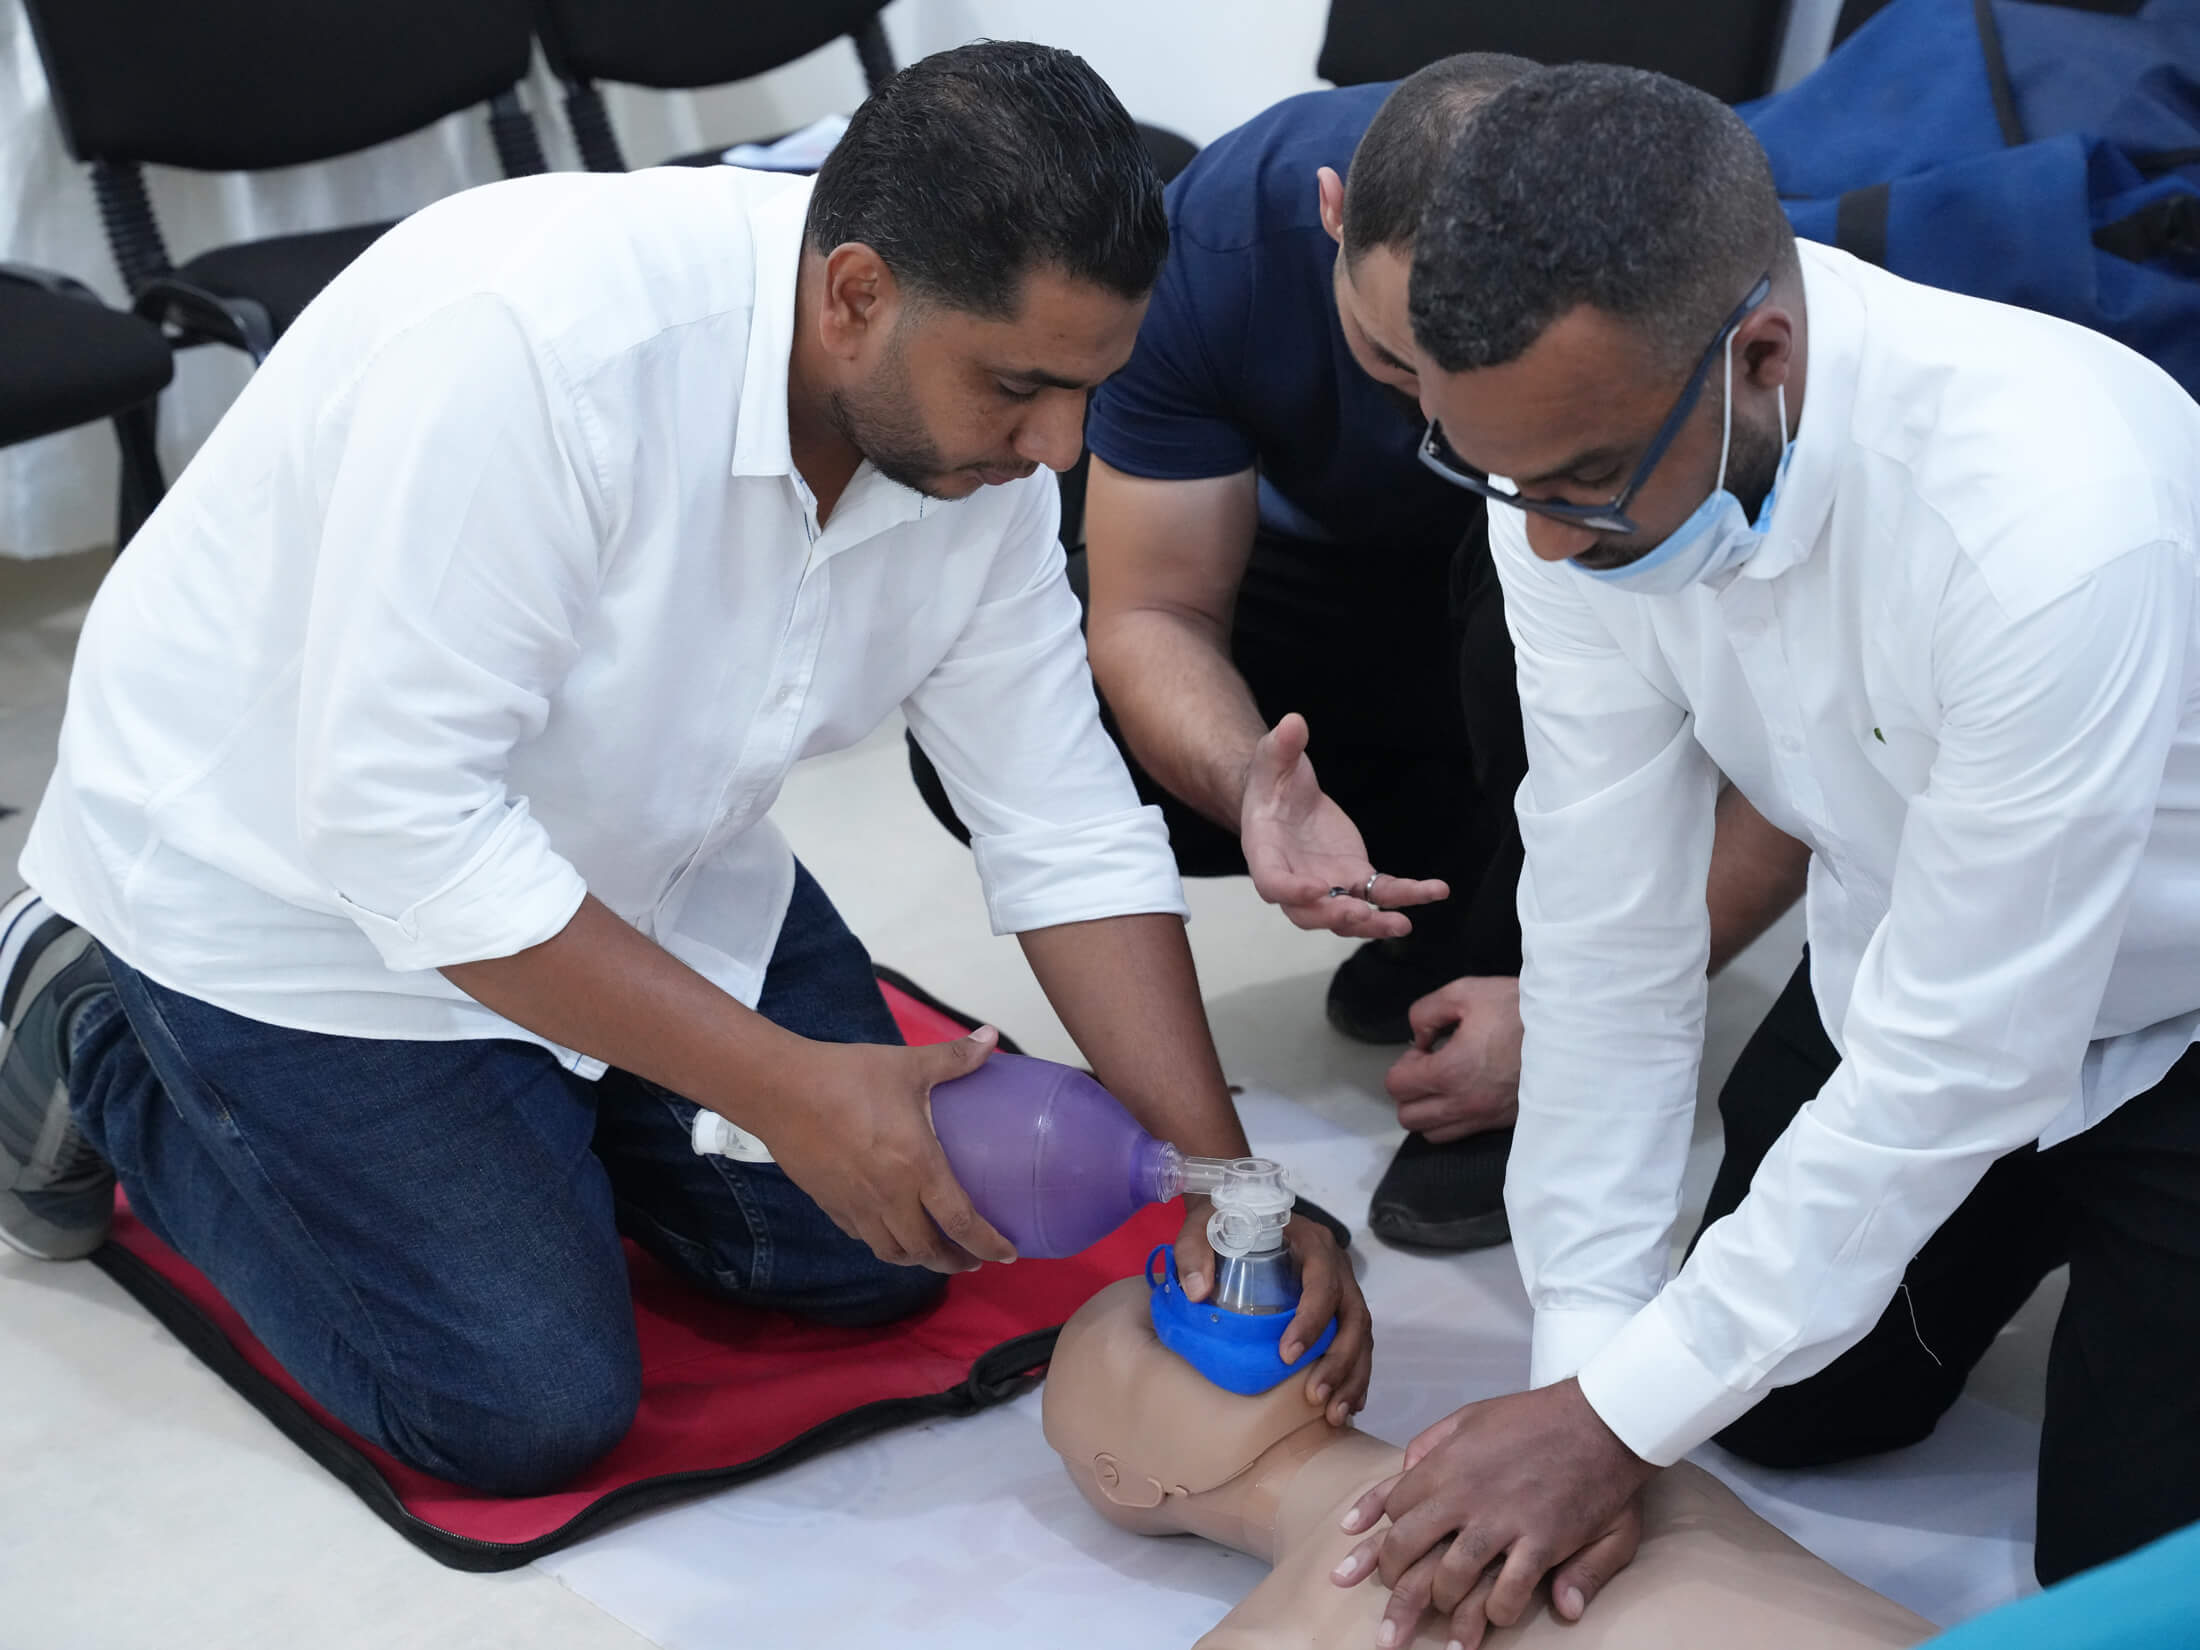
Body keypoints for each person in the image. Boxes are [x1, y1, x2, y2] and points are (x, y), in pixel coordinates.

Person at [0, 42, 1368, 1496]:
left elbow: (1062, 818)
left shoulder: (972, 435)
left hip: (639, 856)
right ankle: (81, 1011)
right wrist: (786, 1090)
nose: (1061, 446)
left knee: (893, 1249)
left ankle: (568, 1107)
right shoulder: (536, 349)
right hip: (289, 895)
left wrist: (1232, 1187)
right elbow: (407, 830)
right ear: (854, 296)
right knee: (521, 1405)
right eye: (1025, 388)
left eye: (1093, 388)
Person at [1327, 62, 2200, 1649]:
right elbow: (1605, 936)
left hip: (2177, 1006)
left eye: (1582, 486)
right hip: (1917, 941)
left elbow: (1961, 1059)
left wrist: (1610, 1422)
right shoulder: (1569, 466)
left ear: (1764, 356)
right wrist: (1583, 1372)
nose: (1541, 540)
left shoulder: (2051, 517)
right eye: (1501, 483)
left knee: (2120, 1578)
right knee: (1778, 1411)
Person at [907, 57, 1804, 1252]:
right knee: (1027, 707)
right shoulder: (1218, 247)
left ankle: (1519, 990)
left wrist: (1585, 1013)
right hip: (1363, 605)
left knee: (1528, 561)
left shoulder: (1694, 284)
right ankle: (1445, 894)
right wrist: (1248, 785)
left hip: (1571, 627)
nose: (1441, 429)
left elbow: (1813, 751)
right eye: (1394, 366)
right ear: (1330, 219)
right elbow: (1149, 613)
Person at [1042, 1276, 1931, 1649]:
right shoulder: (1297, 1624)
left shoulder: (1625, 1454)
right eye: (1158, 1328)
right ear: (1124, 1477)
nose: (1210, 1300)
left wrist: (1604, 1413)